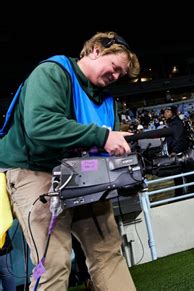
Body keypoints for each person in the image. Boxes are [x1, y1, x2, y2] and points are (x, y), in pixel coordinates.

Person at [0, 31, 140, 290]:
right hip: (35, 171)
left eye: (121, 74)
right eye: (115, 68)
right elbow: (40, 126)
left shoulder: (106, 98)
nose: (116, 77)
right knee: (53, 264)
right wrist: (102, 137)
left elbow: (108, 140)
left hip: (81, 173)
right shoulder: (52, 72)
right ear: (96, 49)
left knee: (108, 251)